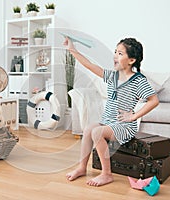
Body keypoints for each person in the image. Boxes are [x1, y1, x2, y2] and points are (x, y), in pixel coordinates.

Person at [63, 37, 159, 187]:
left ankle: (107, 174)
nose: (115, 56)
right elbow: (89, 65)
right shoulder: (112, 76)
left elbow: (154, 100)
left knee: (97, 133)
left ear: (131, 60)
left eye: (120, 54)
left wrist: (133, 116)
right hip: (108, 121)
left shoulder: (139, 81)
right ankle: (82, 167)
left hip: (124, 126)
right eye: (115, 52)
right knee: (89, 129)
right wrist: (72, 49)